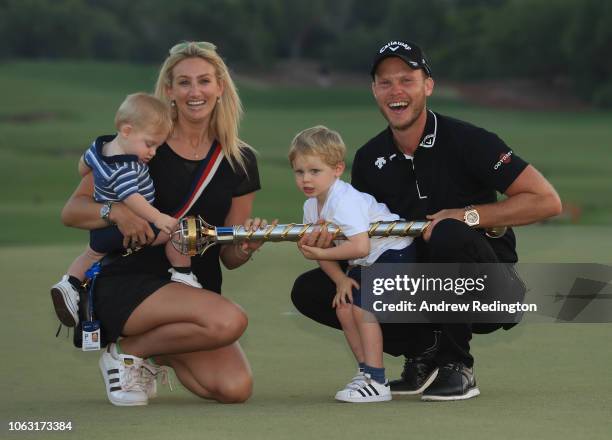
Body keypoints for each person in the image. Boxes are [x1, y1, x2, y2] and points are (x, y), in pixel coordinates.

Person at [291, 40, 562, 401]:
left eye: (407, 80)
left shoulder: (469, 140)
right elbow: (367, 241)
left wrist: (468, 215)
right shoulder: (371, 158)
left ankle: (457, 365)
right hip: (418, 284)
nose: (395, 92)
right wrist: (330, 245)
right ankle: (426, 353)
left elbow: (546, 201)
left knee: (449, 233)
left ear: (427, 86)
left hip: (491, 290)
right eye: (385, 83)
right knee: (314, 290)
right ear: (374, 90)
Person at [60, 41, 263, 406]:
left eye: (204, 81)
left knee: (234, 389)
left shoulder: (241, 159)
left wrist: (246, 247)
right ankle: (126, 352)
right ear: (169, 91)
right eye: (183, 82)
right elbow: (72, 210)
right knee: (230, 321)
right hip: (129, 281)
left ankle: (149, 350)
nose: (195, 92)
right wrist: (117, 212)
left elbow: (229, 258)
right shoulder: (142, 145)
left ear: (220, 87)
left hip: (192, 289)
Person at [50, 93, 201, 329]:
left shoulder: (100, 146)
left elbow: (83, 165)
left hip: (102, 229)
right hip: (130, 227)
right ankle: (183, 275)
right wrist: (158, 218)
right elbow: (131, 198)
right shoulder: (126, 166)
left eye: (157, 146)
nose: (152, 152)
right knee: (178, 231)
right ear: (127, 130)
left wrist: (94, 177)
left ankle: (68, 284)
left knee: (91, 255)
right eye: (149, 144)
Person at [290, 126, 415, 403]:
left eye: (314, 171)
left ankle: (378, 382)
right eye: (299, 172)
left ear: (337, 169)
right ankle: (365, 372)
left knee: (361, 309)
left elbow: (361, 246)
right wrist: (340, 280)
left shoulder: (343, 200)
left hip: (394, 252)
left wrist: (319, 255)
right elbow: (326, 250)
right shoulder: (311, 206)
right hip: (366, 259)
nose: (306, 179)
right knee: (344, 308)